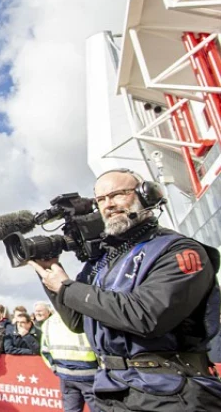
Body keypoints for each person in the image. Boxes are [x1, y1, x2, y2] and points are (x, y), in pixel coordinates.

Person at [29, 168, 221, 411]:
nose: (108, 205)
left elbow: (146, 316)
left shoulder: (178, 250)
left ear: (146, 195)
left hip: (170, 393)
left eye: (118, 194)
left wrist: (67, 287)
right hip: (112, 390)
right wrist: (50, 271)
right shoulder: (103, 260)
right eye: (101, 199)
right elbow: (77, 320)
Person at [40, 312, 98, 412]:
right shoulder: (88, 316)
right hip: (92, 374)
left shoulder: (49, 322)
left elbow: (45, 351)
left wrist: (55, 369)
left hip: (65, 375)